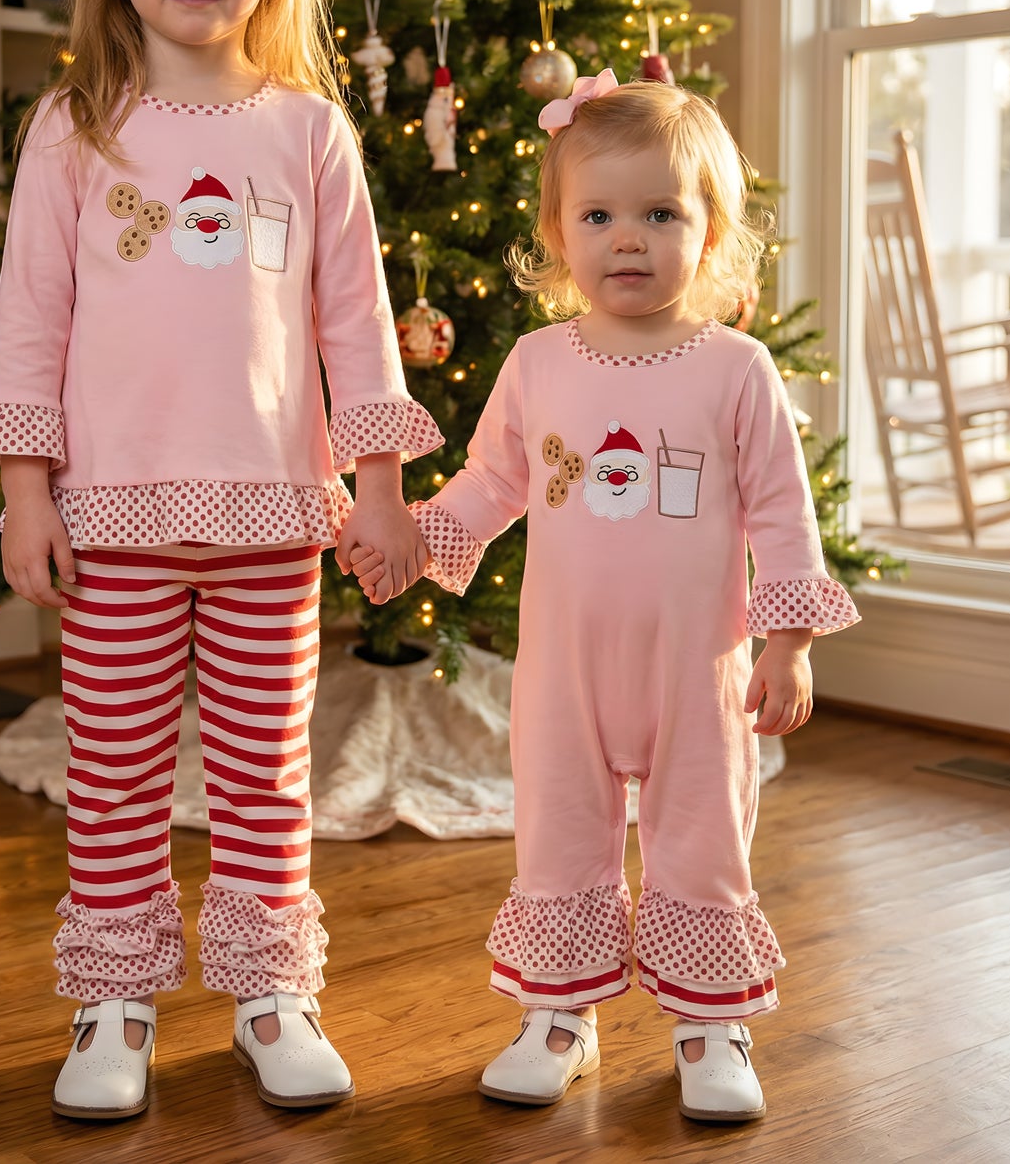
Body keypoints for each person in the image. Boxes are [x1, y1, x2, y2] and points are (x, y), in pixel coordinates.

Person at [0, 0, 439, 1120]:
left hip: (276, 516)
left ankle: (272, 990)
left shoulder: (307, 131)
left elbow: (356, 325)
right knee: (107, 774)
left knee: (267, 773)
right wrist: (23, 497)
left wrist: (382, 488)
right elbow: (30, 323)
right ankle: (113, 998)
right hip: (109, 523)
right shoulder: (74, 130)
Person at [355, 69, 859, 1123]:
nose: (626, 237)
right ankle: (557, 1014)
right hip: (564, 670)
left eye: (659, 213)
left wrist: (787, 643)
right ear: (557, 233)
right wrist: (414, 542)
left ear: (710, 234)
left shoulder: (736, 368)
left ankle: (708, 1022)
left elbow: (780, 511)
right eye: (597, 214)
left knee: (700, 836)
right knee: (558, 831)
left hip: (697, 668)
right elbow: (494, 480)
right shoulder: (539, 362)